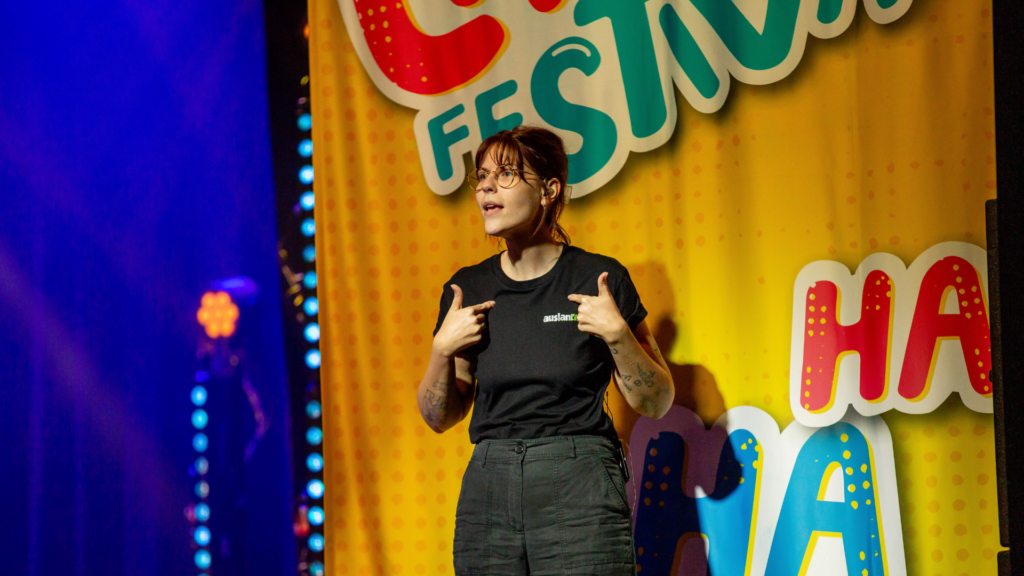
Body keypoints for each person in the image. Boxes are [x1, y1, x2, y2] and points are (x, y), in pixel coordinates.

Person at [417, 125, 674, 575]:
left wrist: (619, 337)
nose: (486, 187)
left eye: (507, 174)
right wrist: (441, 351)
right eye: (480, 177)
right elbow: (440, 417)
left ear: (550, 190)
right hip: (489, 487)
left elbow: (655, 401)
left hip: (579, 484)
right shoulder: (468, 287)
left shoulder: (598, 278)